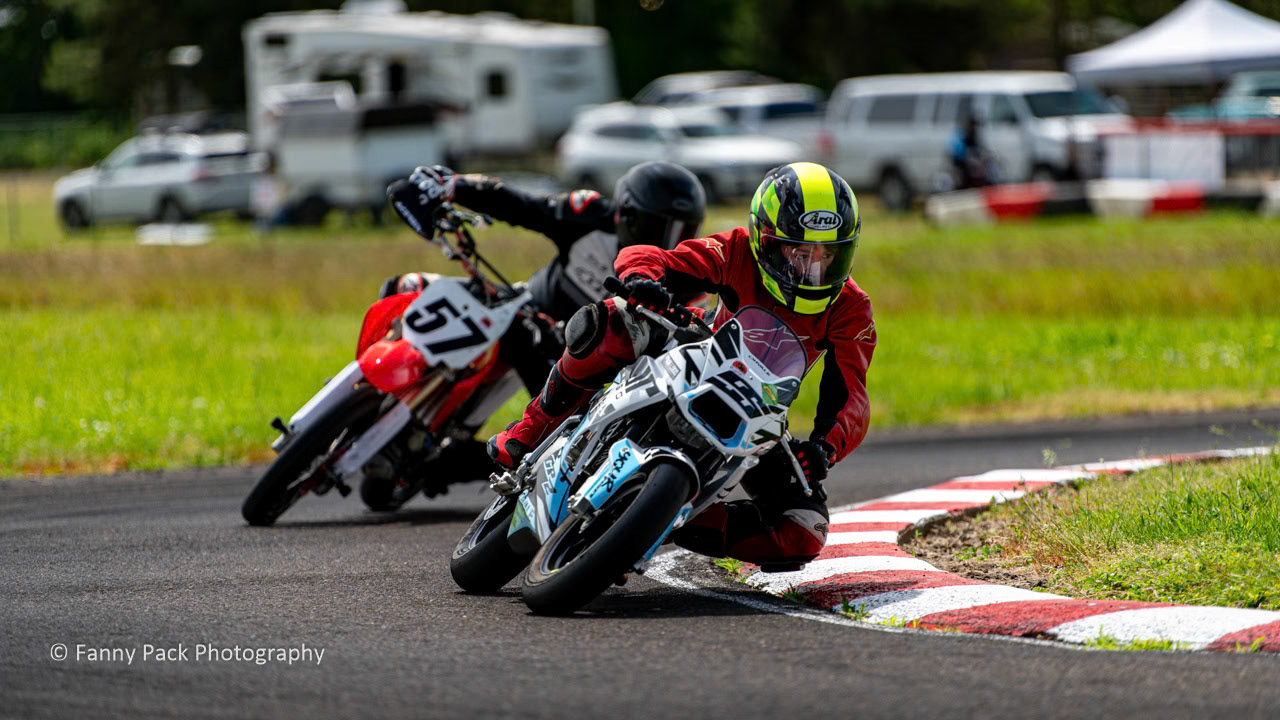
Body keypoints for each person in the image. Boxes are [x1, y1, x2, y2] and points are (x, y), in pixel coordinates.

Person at [487, 161, 876, 570]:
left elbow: (851, 395)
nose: (813, 269)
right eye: (798, 252)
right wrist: (641, 280)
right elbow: (651, 255)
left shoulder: (852, 307)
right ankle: (530, 430)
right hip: (698, 350)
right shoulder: (736, 249)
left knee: (803, 531)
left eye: (828, 255)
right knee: (612, 321)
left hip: (760, 408)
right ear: (764, 238)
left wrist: (823, 449)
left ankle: (659, 522)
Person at [383, 162, 708, 484]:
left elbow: (680, 346)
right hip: (517, 306)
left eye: (682, 232)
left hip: (568, 359)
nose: (667, 242)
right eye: (657, 227)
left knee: (567, 434)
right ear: (626, 214)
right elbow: (523, 206)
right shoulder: (591, 215)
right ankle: (382, 382)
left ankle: (473, 461)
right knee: (404, 287)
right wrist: (452, 186)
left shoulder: (688, 281)